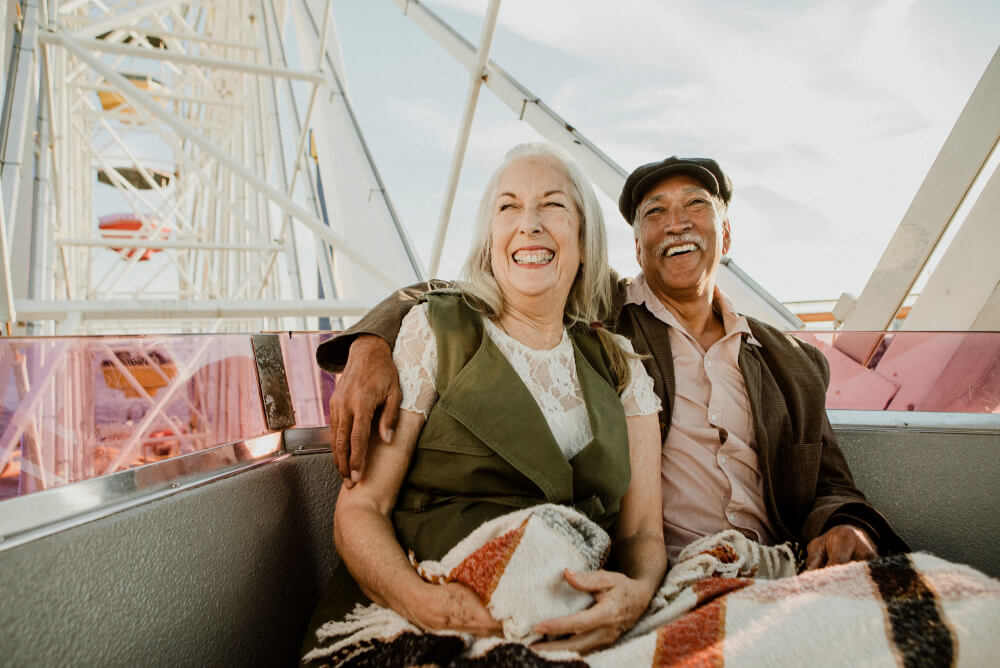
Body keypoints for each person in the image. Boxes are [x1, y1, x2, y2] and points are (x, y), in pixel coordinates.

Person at [317, 155, 908, 570]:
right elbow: (474, 287)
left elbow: (830, 483)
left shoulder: (792, 361)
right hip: (674, 567)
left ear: (726, 234)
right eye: (654, 212)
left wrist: (843, 526)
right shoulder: (606, 322)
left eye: (695, 206)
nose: (675, 222)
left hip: (780, 560)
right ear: (634, 246)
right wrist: (370, 343)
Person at [302, 143, 666, 660]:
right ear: (490, 239)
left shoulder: (621, 365)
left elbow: (644, 533)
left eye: (554, 205)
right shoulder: (435, 333)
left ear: (584, 240)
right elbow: (361, 509)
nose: (530, 223)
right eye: (508, 206)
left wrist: (638, 592)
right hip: (424, 616)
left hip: (571, 621)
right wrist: (423, 604)